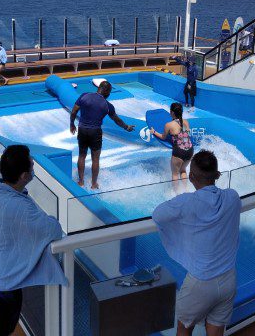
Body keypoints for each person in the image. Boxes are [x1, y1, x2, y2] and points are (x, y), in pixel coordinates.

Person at [0, 145, 67, 336]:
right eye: (32, 167)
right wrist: (49, 219)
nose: (34, 168)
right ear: (23, 176)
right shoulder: (21, 208)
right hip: (1, 288)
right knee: (1, 331)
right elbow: (54, 230)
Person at [153, 150, 241, 336]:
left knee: (184, 330)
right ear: (217, 175)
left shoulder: (187, 203)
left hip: (201, 283)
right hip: (228, 279)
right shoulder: (232, 197)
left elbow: (158, 215)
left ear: (191, 177)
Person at [70, 80, 134, 189]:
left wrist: (72, 124)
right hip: (95, 132)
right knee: (95, 159)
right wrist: (126, 127)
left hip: (82, 129)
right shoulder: (108, 105)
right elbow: (117, 120)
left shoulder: (84, 96)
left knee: (82, 156)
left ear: (98, 87)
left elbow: (74, 111)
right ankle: (94, 184)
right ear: (108, 92)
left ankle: (81, 182)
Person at [151, 102, 194, 192]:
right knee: (183, 170)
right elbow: (185, 135)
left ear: (172, 112)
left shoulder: (169, 125)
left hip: (179, 151)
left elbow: (163, 137)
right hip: (190, 150)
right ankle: (186, 190)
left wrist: (154, 132)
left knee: (175, 174)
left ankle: (176, 193)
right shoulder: (186, 122)